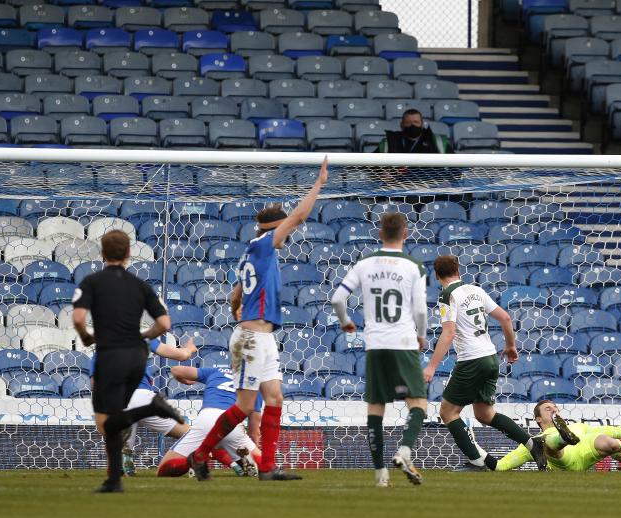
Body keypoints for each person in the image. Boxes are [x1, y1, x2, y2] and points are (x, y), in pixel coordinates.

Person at [187, 156, 329, 482]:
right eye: (284, 227)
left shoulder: (252, 252)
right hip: (251, 338)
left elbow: (234, 295)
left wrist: (238, 310)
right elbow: (301, 214)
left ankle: (267, 466)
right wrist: (318, 183)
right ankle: (200, 453)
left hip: (260, 336)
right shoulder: (266, 245)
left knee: (275, 398)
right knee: (243, 406)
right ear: (274, 228)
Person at [72, 230, 182, 493]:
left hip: (111, 356)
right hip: (137, 357)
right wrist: (144, 335)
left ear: (102, 254)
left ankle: (150, 410)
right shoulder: (140, 285)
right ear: (129, 254)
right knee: (115, 420)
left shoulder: (91, 282)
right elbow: (164, 323)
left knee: (106, 423)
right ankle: (114, 481)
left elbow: (77, 318)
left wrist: (87, 337)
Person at [422, 255, 547, 471]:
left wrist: (431, 366)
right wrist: (510, 346)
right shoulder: (476, 290)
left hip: (471, 360)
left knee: (448, 413)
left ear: (436, 275)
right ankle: (532, 443)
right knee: (484, 414)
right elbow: (506, 318)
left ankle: (477, 461)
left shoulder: (447, 295)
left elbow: (449, 333)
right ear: (458, 271)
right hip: (490, 358)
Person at [330, 212, 428, 487]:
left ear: (379, 234)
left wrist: (346, 322)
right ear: (405, 234)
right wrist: (421, 336)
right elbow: (420, 309)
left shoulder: (365, 263)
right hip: (404, 342)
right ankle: (405, 451)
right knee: (418, 402)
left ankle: (380, 475)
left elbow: (337, 298)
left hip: (375, 344)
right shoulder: (414, 266)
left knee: (376, 407)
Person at [88, 337, 198, 476]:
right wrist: (190, 349)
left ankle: (121, 458)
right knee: (192, 435)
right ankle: (191, 463)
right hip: (143, 397)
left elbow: (95, 385)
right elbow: (182, 355)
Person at [489, 400, 621, 472]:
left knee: (612, 442)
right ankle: (562, 440)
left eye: (555, 408)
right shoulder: (531, 443)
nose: (554, 410)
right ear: (538, 418)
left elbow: (616, 429)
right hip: (564, 462)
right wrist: (481, 458)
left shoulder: (580, 426)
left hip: (585, 452)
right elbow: (501, 466)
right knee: (546, 443)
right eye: (548, 409)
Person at [157, 364, 263, 478]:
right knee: (265, 467)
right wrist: (253, 446)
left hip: (206, 418)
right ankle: (248, 461)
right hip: (232, 423)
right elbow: (254, 430)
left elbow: (176, 370)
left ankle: (192, 460)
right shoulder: (255, 384)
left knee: (163, 471)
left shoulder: (215, 371)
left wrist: (185, 381)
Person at [375, 109, 454, 154]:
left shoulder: (437, 141)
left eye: (416, 122)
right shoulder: (390, 141)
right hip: (398, 182)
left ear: (422, 124)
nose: (412, 125)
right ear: (401, 125)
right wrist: (382, 173)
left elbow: (455, 167)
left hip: (431, 182)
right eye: (408, 122)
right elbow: (371, 164)